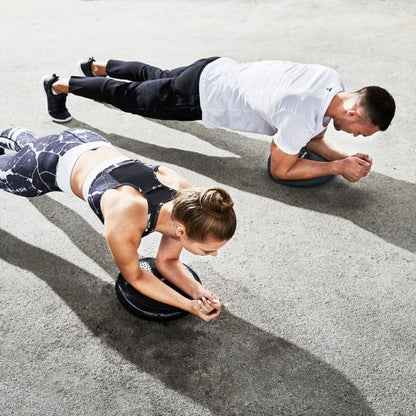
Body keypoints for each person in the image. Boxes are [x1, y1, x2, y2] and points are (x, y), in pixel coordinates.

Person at [0, 126, 237, 322]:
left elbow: (167, 261)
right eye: (208, 249)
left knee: (27, 148)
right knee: (13, 168)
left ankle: (25, 143)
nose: (214, 254)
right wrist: (188, 306)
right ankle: (18, 141)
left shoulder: (188, 203)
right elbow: (135, 276)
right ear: (181, 232)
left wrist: (198, 292)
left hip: (88, 140)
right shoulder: (126, 216)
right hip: (48, 162)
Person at [42, 56, 395, 187]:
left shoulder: (331, 82)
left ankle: (97, 65)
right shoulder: (300, 115)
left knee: (157, 76)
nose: (357, 136)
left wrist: (339, 158)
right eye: (360, 131)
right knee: (132, 99)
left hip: (216, 67)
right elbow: (281, 169)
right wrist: (336, 168)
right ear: (352, 112)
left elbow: (310, 137)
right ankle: (61, 85)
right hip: (201, 97)